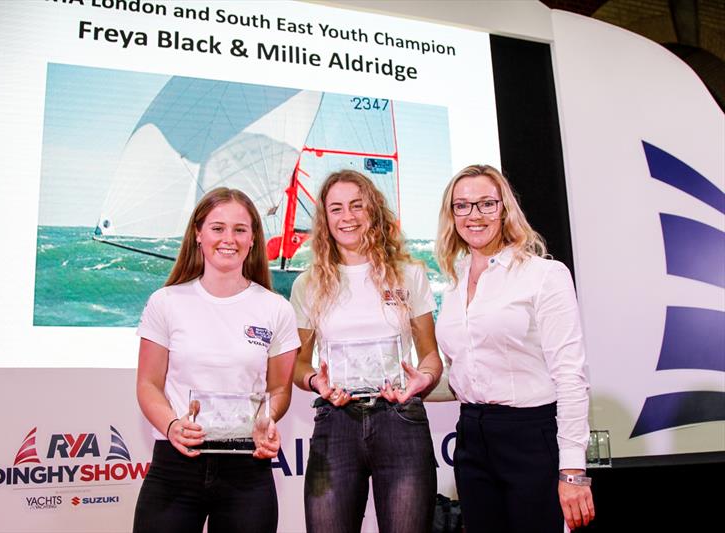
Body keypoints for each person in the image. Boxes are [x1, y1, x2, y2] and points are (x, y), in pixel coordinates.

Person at [433, 164, 595, 532]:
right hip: (472, 437)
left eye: (486, 204)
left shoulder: (544, 275)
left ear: (505, 209)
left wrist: (572, 471)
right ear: (452, 214)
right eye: (462, 206)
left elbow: (570, 376)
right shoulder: (454, 284)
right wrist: (415, 385)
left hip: (530, 436)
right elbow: (466, 372)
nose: (474, 215)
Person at [132, 187, 300, 533]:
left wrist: (267, 418)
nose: (229, 239)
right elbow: (148, 385)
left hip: (247, 470)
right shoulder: (165, 302)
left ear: (253, 238)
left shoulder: (277, 309)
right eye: (217, 228)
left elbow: (280, 388)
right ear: (198, 234)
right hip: (176, 465)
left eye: (240, 229)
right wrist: (172, 426)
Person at [290, 169, 443, 533]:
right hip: (335, 420)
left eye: (357, 206)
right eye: (337, 208)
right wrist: (316, 381)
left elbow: (431, 356)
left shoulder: (409, 274)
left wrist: (424, 378)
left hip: (401, 418)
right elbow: (297, 365)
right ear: (325, 219)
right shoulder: (308, 284)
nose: (348, 217)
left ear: (373, 210)